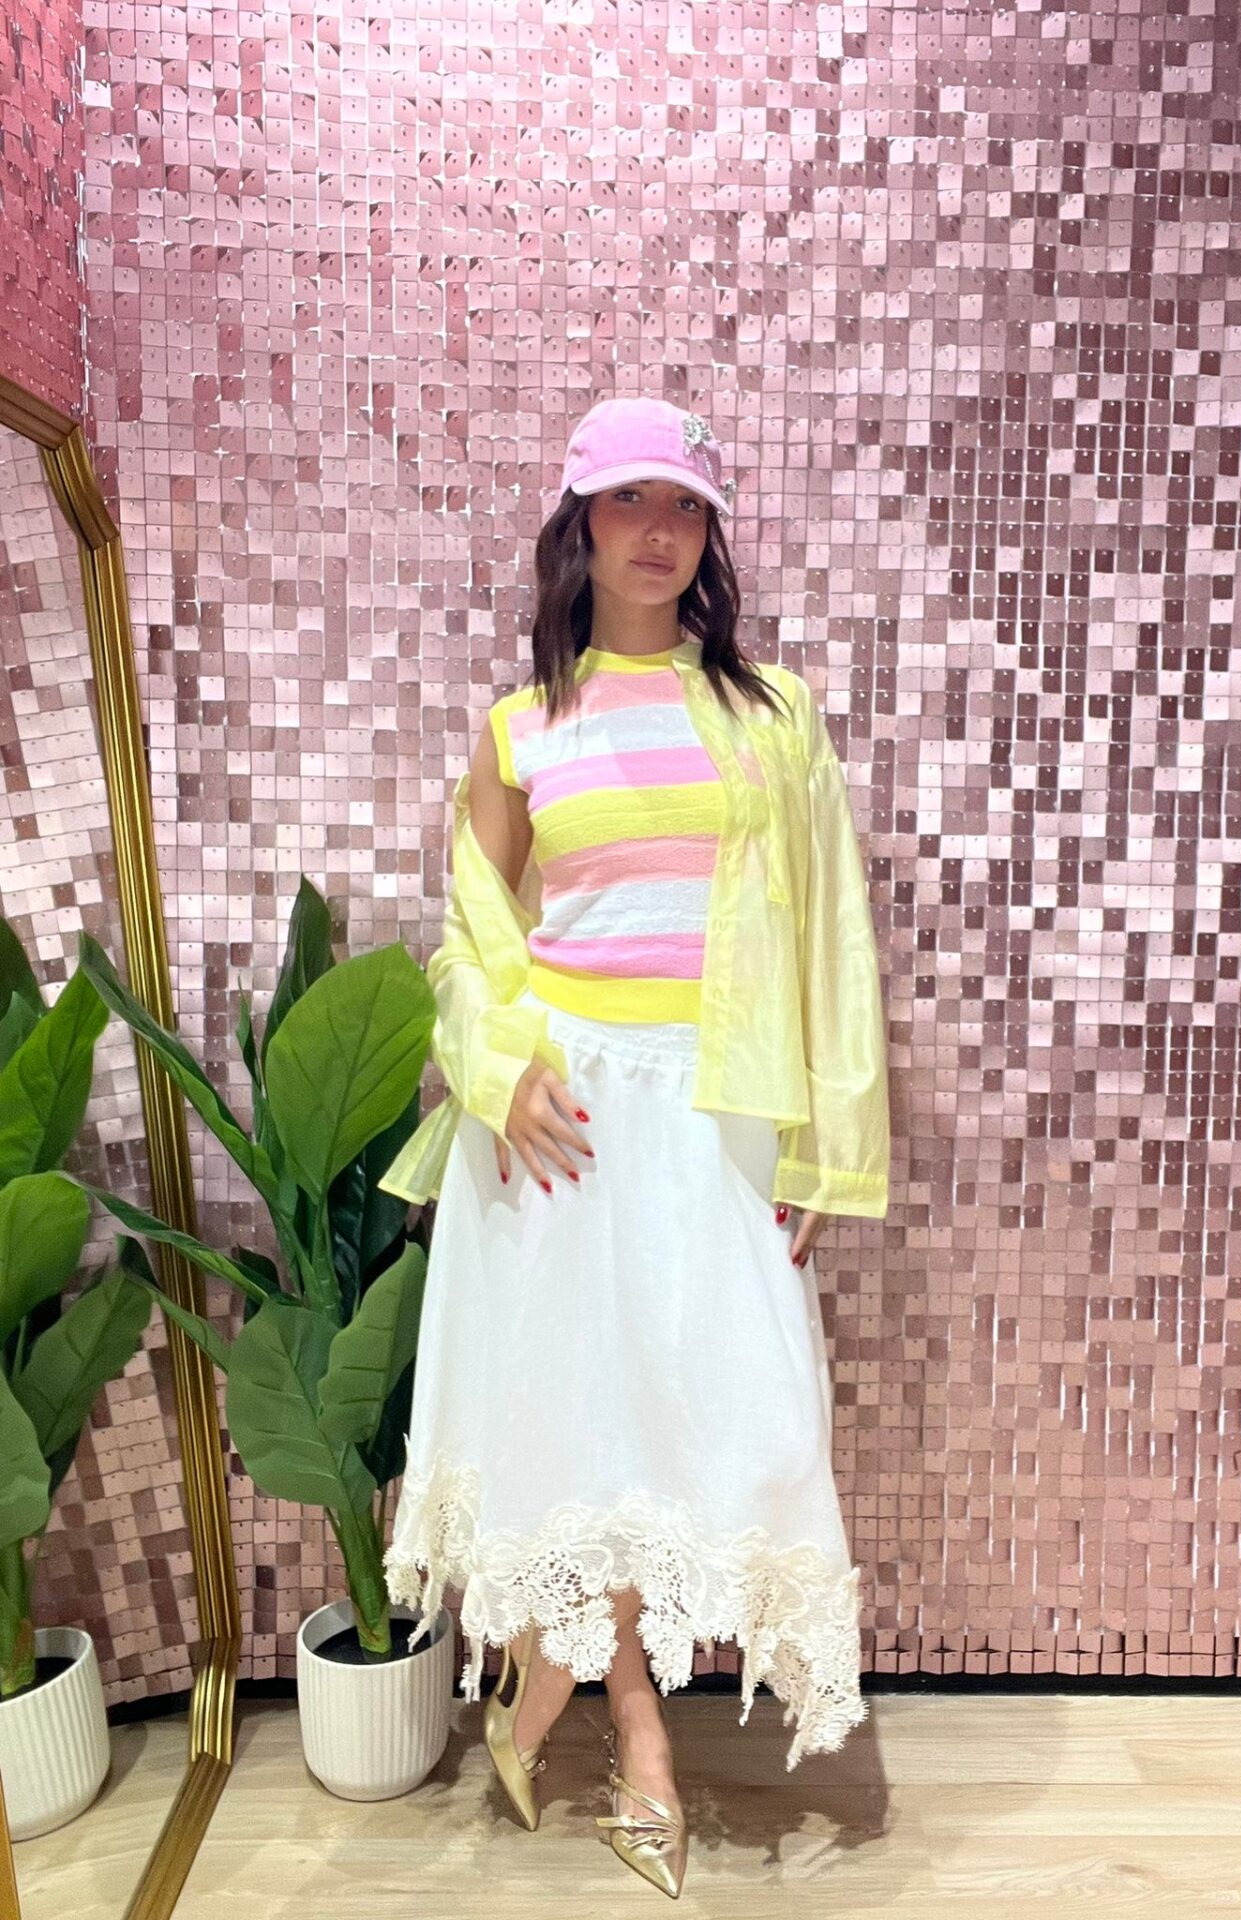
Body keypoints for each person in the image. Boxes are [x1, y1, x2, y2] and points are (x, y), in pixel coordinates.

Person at [377, 395, 890, 1898]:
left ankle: (541, 1684)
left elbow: (833, 941)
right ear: (580, 526)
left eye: (684, 507)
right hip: (564, 1125)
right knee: (586, 1432)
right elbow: (469, 944)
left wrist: (820, 1144)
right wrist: (496, 1073)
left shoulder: (772, 718)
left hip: (713, 1113)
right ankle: (639, 1737)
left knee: (731, 1418)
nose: (658, 532)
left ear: (708, 535)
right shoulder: (522, 728)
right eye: (628, 503)